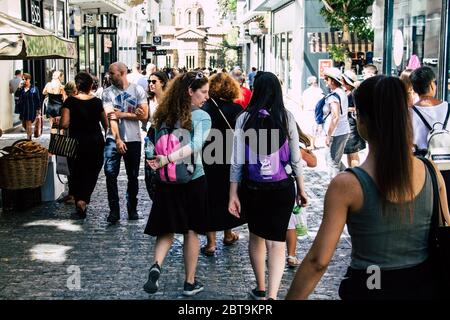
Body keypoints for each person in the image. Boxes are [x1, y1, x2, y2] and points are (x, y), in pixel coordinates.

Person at [286, 75, 450, 300]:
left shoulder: (347, 185)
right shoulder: (431, 171)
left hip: (371, 285)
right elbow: (445, 230)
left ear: (362, 121)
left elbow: (318, 261)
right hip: (422, 286)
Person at [228, 71, 308, 300]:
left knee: (256, 236)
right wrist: (301, 189)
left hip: (252, 188)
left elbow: (237, 161)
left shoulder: (244, 118)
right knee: (277, 241)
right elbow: (295, 159)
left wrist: (232, 193)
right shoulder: (286, 117)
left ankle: (260, 287)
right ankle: (272, 296)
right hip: (282, 187)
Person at [143, 71, 211, 296]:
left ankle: (157, 265)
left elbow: (151, 142)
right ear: (190, 92)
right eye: (203, 92)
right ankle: (189, 282)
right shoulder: (201, 116)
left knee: (166, 228)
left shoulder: (163, 114)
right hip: (193, 178)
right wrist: (170, 158)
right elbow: (197, 145)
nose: (206, 97)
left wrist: (161, 160)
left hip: (166, 179)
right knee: (191, 231)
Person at [201, 72, 246, 256]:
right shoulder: (237, 111)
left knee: (210, 199)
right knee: (230, 195)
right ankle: (228, 234)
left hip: (208, 160)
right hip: (230, 160)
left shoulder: (205, 109)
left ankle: (211, 243)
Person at [102, 62, 149, 223]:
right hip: (113, 138)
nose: (109, 75)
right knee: (110, 174)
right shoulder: (107, 92)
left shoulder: (137, 90)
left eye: (112, 73)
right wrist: (117, 139)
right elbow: (111, 117)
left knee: (133, 176)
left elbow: (144, 116)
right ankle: (114, 210)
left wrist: (122, 114)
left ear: (122, 73)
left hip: (134, 138)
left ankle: (132, 208)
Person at [60, 72, 108, 219]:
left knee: (76, 171)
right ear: (91, 86)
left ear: (77, 85)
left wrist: (58, 122)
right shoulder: (97, 102)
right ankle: (84, 199)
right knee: (92, 171)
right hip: (95, 141)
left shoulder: (69, 101)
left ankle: (79, 199)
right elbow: (105, 125)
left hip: (76, 142)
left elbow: (65, 123)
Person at [410, 66, 450, 207]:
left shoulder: (409, 113)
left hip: (422, 169)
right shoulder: (448, 107)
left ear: (414, 89)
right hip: (447, 166)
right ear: (432, 84)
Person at [323, 67, 350, 178]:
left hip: (336, 132)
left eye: (326, 78)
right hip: (342, 130)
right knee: (334, 159)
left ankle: (335, 187)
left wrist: (329, 135)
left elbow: (335, 117)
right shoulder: (341, 92)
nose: (324, 80)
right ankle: (349, 179)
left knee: (332, 162)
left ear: (332, 80)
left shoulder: (334, 96)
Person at [342, 70, 365, 168]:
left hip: (353, 126)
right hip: (349, 125)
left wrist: (346, 109)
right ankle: (352, 172)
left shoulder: (354, 92)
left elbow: (359, 107)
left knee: (353, 153)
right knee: (349, 152)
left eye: (343, 80)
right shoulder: (349, 91)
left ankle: (355, 175)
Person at [300, 76, 324, 147]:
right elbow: (323, 101)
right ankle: (312, 144)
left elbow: (302, 103)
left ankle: (312, 144)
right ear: (313, 83)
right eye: (316, 82)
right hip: (316, 111)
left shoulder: (305, 92)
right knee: (315, 127)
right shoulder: (319, 90)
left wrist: (303, 110)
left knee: (309, 128)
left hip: (307, 111)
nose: (316, 83)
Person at [15, 73, 40, 140]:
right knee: (24, 125)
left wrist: (38, 110)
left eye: (26, 79)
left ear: (29, 79)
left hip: (31, 109)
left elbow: (37, 99)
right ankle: (29, 134)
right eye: (23, 79)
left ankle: (29, 139)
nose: (25, 80)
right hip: (23, 109)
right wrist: (19, 87)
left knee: (28, 124)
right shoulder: (22, 89)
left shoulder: (34, 88)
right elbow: (16, 95)